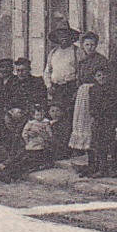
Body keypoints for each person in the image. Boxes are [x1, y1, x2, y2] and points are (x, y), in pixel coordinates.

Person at [74, 31, 115, 178]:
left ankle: (99, 164)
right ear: (82, 46)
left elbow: (107, 79)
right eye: (87, 45)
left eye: (92, 45)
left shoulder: (101, 60)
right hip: (83, 95)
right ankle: (91, 163)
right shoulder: (82, 61)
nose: (90, 47)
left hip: (95, 94)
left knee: (94, 130)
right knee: (85, 128)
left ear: (96, 45)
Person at [44, 26, 81, 155]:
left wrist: (77, 88)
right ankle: (58, 147)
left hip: (70, 88)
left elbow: (80, 72)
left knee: (70, 117)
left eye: (66, 34)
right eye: (60, 35)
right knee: (57, 117)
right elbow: (47, 71)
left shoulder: (76, 52)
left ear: (71, 36)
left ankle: (70, 148)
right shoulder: (53, 52)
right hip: (56, 89)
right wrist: (49, 85)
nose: (63, 37)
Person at [0, 106, 56, 182]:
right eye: (53, 111)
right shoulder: (32, 123)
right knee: (21, 157)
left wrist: (43, 136)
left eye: (41, 114)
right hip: (32, 146)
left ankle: (10, 174)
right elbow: (24, 133)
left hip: (42, 149)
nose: (55, 114)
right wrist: (27, 140)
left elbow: (51, 138)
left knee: (26, 161)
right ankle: (6, 172)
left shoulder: (47, 123)